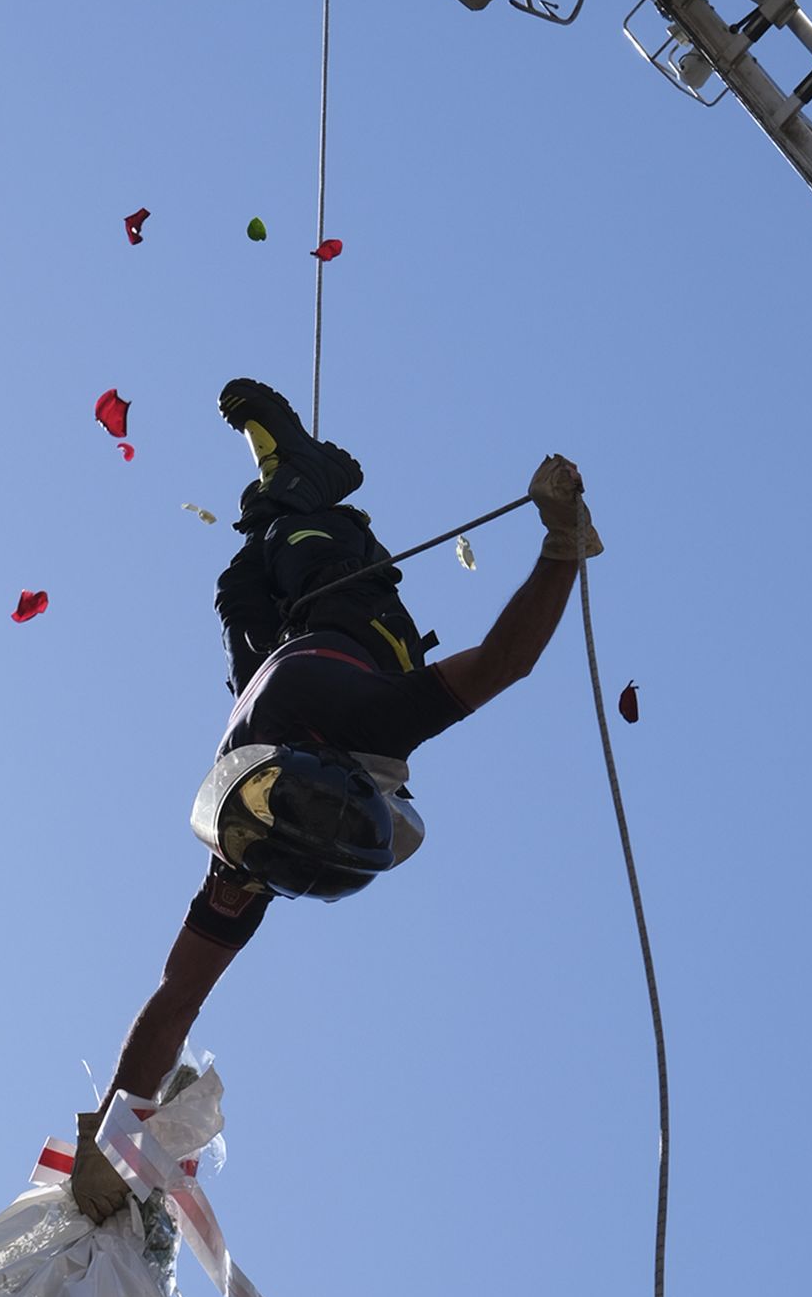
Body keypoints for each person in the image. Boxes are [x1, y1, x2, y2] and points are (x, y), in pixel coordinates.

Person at [72, 380, 601, 1219]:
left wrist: (114, 1130)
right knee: (302, 535)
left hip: (273, 654)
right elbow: (508, 660)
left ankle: (294, 484)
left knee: (240, 588)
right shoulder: (374, 722)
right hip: (349, 611)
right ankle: (306, 471)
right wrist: (562, 543)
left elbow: (178, 996)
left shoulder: (246, 857)